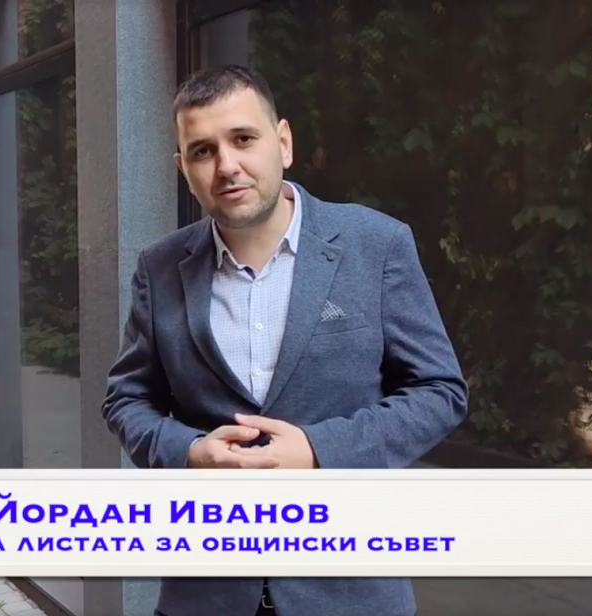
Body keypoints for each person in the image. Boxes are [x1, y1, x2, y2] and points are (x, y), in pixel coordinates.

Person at [101, 65, 468, 616]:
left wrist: (320, 451)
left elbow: (440, 392)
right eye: (203, 151)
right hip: (206, 594)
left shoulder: (376, 245)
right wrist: (189, 453)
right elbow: (126, 400)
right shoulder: (159, 267)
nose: (227, 165)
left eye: (243, 139)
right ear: (184, 170)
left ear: (283, 143)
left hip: (349, 592)